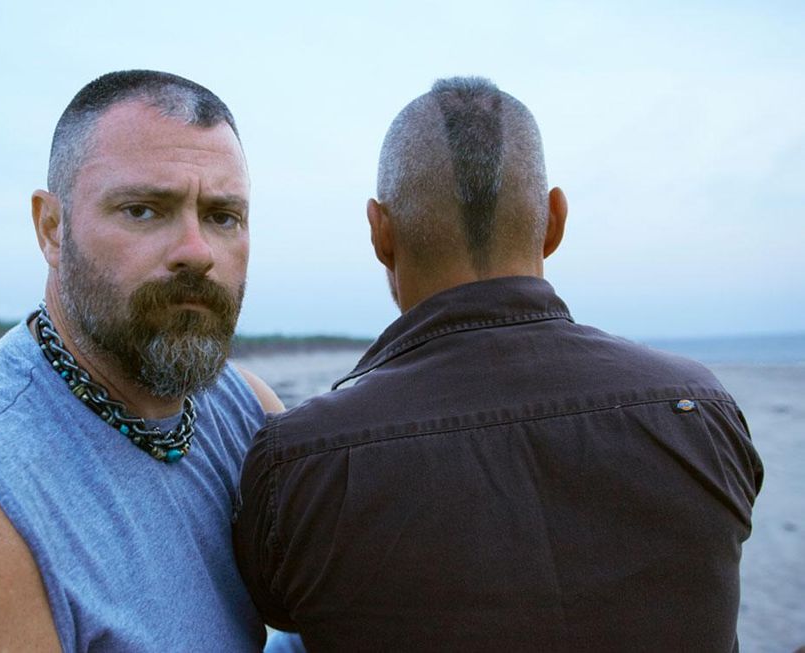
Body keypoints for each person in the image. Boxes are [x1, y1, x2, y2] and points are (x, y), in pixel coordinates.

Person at [233, 77, 764, 652]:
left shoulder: (301, 461)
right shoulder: (702, 410)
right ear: (554, 221)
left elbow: (274, 607)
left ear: (381, 233)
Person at [0, 70, 285, 651]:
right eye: (143, 210)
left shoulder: (247, 416)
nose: (197, 252)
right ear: (51, 228)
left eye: (222, 216)